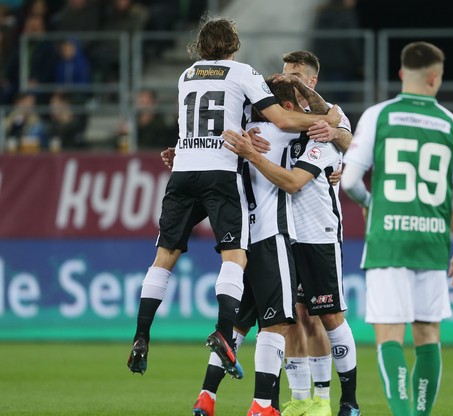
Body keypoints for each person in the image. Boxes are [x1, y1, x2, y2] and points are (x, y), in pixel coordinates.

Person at [126, 15, 340, 383]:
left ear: (200, 46)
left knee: (163, 258)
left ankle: (141, 335)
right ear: (234, 45)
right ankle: (224, 333)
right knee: (235, 256)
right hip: (219, 174)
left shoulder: (186, 75)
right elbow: (285, 121)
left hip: (182, 169)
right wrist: (328, 119)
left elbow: (203, 121)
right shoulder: (243, 73)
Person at [341, 41, 453, 416]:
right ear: (435, 77)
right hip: (431, 241)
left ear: (402, 74)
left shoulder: (378, 116)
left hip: (388, 238)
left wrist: (371, 203)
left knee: (389, 334)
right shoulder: (452, 124)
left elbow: (350, 180)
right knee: (427, 333)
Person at [192, 75, 330, 416]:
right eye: (296, 106)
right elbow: (331, 121)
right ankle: (262, 405)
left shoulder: (239, 134)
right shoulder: (283, 130)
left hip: (241, 242)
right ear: (286, 108)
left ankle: (206, 396)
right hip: (273, 236)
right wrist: (325, 121)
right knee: (276, 325)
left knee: (237, 326)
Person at [223, 74, 360, 416]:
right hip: (284, 233)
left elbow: (299, 179)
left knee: (329, 316)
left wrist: (335, 136)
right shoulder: (272, 132)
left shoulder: (323, 132)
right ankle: (300, 400)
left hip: (318, 232)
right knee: (293, 318)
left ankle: (345, 401)